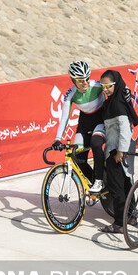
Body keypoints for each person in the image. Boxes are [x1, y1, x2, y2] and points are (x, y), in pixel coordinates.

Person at [52, 61, 106, 194]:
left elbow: (115, 89)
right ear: (73, 80)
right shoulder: (70, 94)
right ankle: (94, 182)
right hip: (84, 122)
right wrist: (58, 139)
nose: (85, 83)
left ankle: (100, 180)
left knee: (95, 143)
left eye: (87, 78)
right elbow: (64, 118)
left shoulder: (97, 85)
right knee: (76, 157)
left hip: (101, 120)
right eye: (81, 80)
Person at [98, 69, 138, 233]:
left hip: (117, 151)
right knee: (126, 183)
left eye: (108, 86)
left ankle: (119, 224)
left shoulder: (116, 104)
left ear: (116, 84)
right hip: (119, 149)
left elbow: (125, 129)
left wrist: (120, 152)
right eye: (103, 86)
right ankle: (131, 216)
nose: (105, 89)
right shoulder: (116, 100)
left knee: (116, 188)